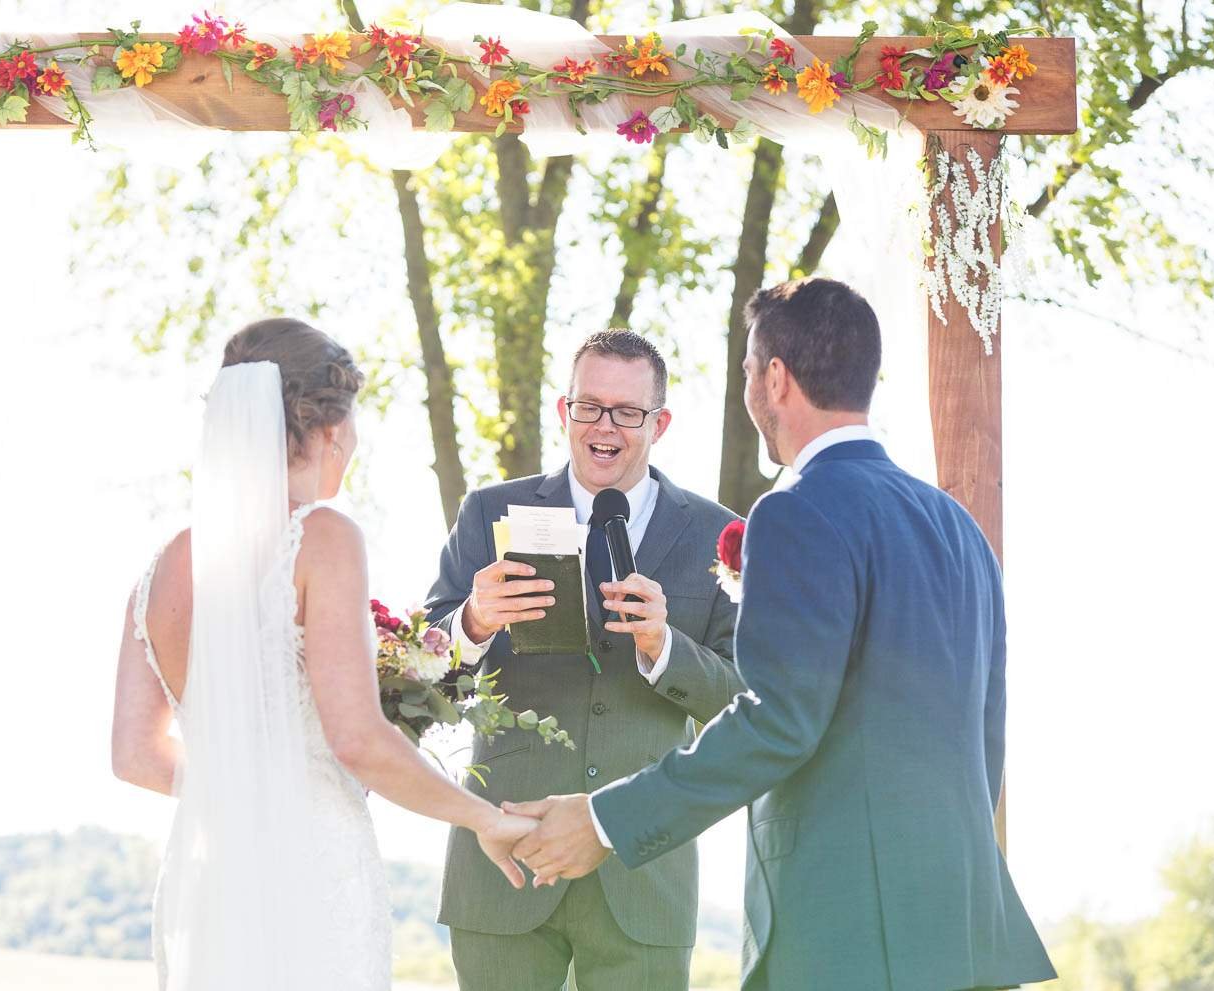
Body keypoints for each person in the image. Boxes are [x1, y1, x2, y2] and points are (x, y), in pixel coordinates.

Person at [506, 279, 1058, 991]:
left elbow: (778, 719)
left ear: (775, 377)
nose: (746, 390)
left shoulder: (797, 511)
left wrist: (607, 820)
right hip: (966, 928)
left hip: (849, 933)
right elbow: (988, 730)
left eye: (745, 371)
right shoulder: (959, 529)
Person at [110, 318, 538, 990]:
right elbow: (357, 739)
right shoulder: (324, 538)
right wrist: (481, 815)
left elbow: (133, 755)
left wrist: (239, 790)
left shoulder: (161, 568)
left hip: (209, 877)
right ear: (332, 427)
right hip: (310, 871)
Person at [424, 330, 746, 990]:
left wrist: (665, 648)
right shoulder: (488, 512)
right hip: (505, 861)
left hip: (643, 874)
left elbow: (748, 701)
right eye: (589, 406)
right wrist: (473, 621)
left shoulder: (719, 532)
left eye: (627, 411)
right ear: (563, 410)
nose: (605, 426)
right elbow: (418, 670)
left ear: (660, 422)